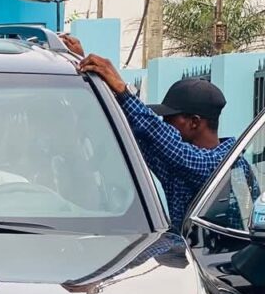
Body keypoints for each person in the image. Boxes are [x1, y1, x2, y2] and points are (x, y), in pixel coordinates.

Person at [60, 35, 237, 232]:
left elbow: (163, 138)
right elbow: (138, 136)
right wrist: (88, 71)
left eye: (170, 119)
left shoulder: (226, 166)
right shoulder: (179, 167)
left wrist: (124, 91)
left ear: (194, 122)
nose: (165, 123)